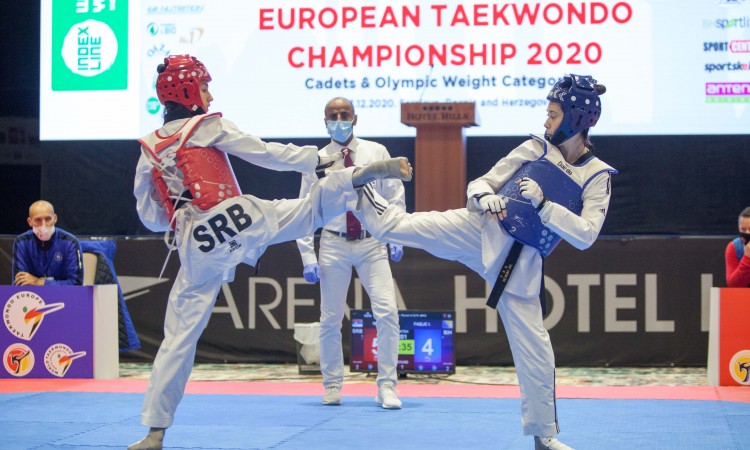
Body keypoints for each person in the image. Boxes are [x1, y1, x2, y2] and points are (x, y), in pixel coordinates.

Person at [129, 54, 412, 450]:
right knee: (309, 210)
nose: (210, 96)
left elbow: (151, 218)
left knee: (177, 339)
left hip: (197, 245)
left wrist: (183, 211)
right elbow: (265, 152)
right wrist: (318, 158)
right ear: (188, 90)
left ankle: (155, 431)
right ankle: (356, 176)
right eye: (205, 87)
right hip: (238, 219)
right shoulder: (207, 125)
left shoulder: (149, 148)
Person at [343, 74, 615, 450]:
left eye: (553, 115)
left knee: (537, 350)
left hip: (520, 262)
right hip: (479, 228)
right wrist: (484, 197)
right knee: (400, 226)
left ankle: (544, 436)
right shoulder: (534, 147)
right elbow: (481, 183)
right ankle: (358, 183)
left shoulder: (597, 175)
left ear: (575, 119)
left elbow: (586, 234)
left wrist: (545, 206)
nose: (546, 121)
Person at [297, 97, 405, 409]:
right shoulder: (317, 160)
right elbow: (305, 209)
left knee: (387, 312)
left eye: (344, 115)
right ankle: (332, 384)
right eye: (333, 116)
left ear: (355, 118)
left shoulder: (376, 152)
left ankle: (387, 385)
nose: (339, 120)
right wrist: (307, 255)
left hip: (372, 241)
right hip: (333, 243)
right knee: (330, 318)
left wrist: (397, 235)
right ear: (325, 121)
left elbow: (394, 195)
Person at [12, 200, 83, 286]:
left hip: (63, 294)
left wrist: (39, 282)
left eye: (48, 219)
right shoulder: (22, 242)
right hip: (32, 294)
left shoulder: (70, 243)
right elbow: (20, 283)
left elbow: (77, 284)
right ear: (30, 222)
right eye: (38, 220)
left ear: (55, 219)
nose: (44, 225)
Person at [725, 206, 750, 287]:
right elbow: (734, 285)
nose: (747, 233)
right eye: (743, 230)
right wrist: (747, 257)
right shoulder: (734, 247)